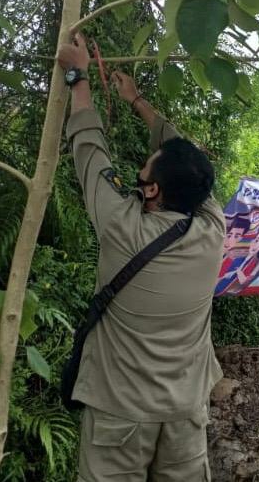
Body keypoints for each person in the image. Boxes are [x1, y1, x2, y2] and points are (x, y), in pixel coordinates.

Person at [58, 34, 223, 482]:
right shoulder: (212, 225)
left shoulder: (122, 228)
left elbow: (89, 152)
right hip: (186, 414)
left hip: (120, 415)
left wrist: (77, 77)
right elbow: (188, 159)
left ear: (151, 190)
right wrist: (136, 100)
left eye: (149, 166)